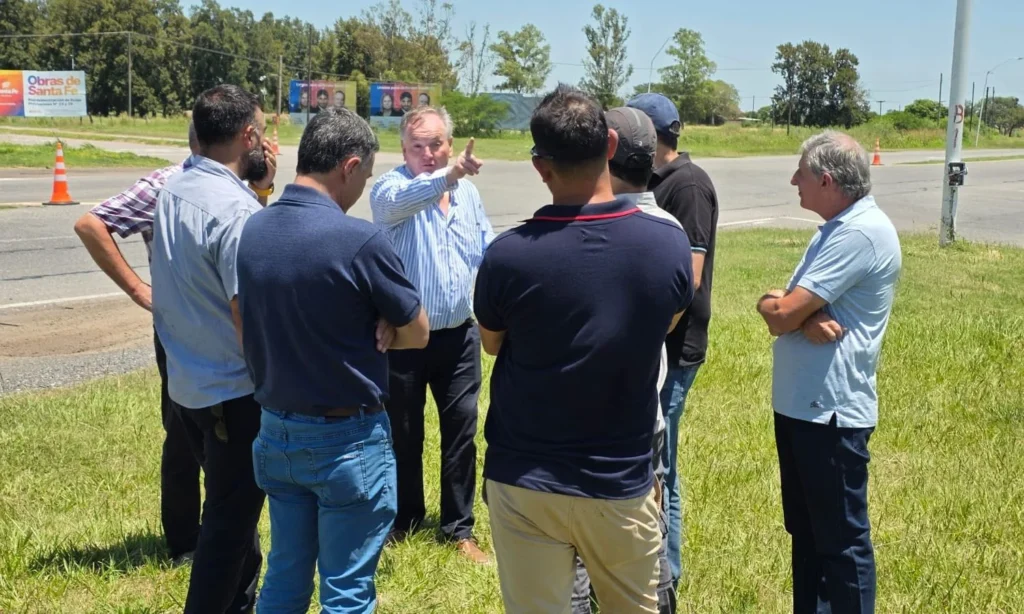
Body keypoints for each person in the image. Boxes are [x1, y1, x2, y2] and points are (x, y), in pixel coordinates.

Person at [475, 84, 693, 614]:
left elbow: (490, 342)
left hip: (524, 477)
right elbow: (668, 318)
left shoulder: (507, 256)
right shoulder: (665, 244)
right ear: (612, 145)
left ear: (539, 166)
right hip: (620, 479)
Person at [237, 107, 430, 613]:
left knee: (284, 577)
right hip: (345, 443)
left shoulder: (254, 231)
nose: (363, 188)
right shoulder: (358, 239)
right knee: (346, 590)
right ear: (348, 165)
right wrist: (382, 324)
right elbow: (418, 332)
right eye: (365, 175)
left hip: (276, 430)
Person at [756, 131, 901, 614]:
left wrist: (790, 310)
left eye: (801, 172)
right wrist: (798, 311)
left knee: (841, 543)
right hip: (804, 407)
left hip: (831, 414)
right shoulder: (836, 229)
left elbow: (779, 314)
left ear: (826, 179)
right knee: (808, 536)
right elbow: (778, 301)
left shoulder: (858, 233)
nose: (793, 180)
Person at [151, 84, 276, 614]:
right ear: (247, 135)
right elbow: (246, 313)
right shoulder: (235, 212)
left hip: (188, 384)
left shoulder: (172, 189)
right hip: (233, 392)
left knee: (232, 512)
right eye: (264, 130)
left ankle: (239, 604)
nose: (268, 139)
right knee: (228, 522)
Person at [73, 123, 204, 567]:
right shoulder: (165, 185)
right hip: (179, 329)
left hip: (224, 328)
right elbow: (91, 224)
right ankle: (186, 539)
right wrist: (138, 289)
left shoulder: (236, 186)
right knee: (185, 432)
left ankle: (228, 529)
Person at [369, 106, 494, 564]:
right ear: (402, 149)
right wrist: (449, 174)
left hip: (459, 334)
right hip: (404, 336)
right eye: (417, 145)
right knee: (402, 432)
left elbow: (486, 249)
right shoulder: (390, 188)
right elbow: (393, 207)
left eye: (436, 143)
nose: (427, 152)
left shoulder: (469, 194)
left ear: (449, 142)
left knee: (461, 430)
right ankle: (404, 520)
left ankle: (458, 528)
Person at [570, 106, 683, 614]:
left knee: (572, 551)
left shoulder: (572, 228)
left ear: (606, 150)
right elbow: (670, 319)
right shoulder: (669, 233)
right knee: (644, 543)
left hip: (575, 424)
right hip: (642, 418)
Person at [627, 92, 719, 586]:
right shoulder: (656, 180)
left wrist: (642, 331)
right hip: (653, 345)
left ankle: (666, 576)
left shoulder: (687, 185)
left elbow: (688, 276)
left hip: (673, 347)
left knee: (661, 466)